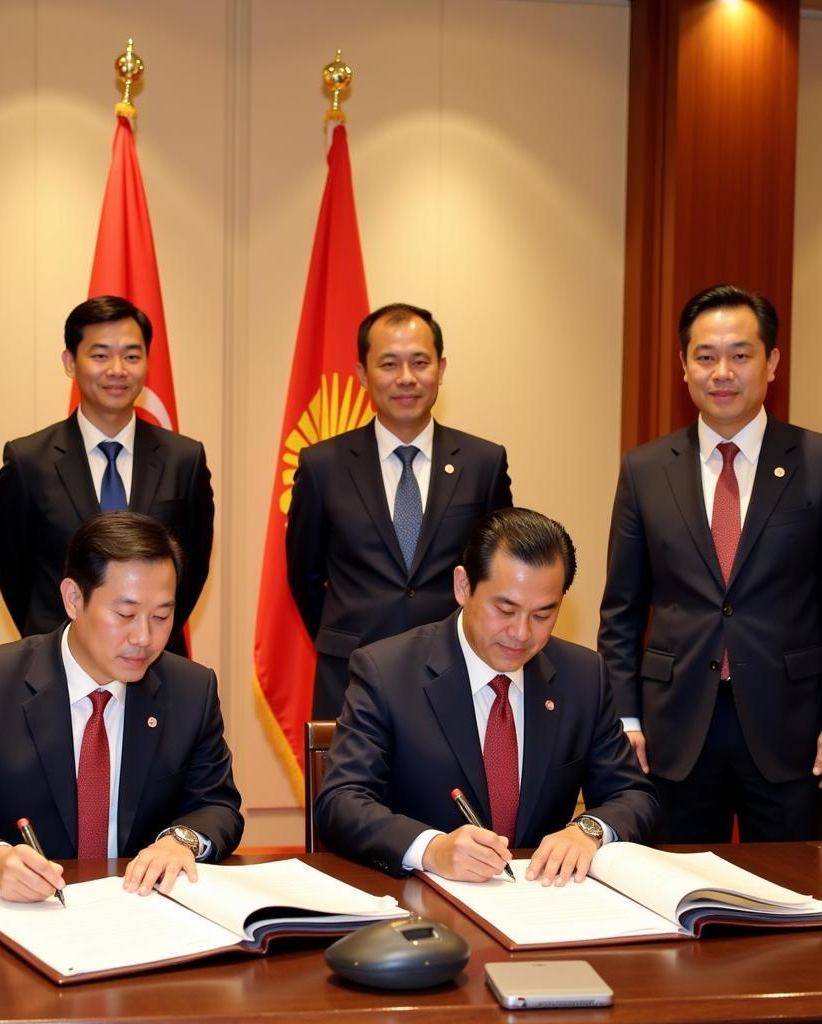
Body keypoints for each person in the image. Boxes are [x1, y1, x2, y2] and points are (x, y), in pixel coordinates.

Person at [0, 511, 243, 901]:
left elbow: (217, 805)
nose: (144, 637)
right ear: (73, 598)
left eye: (161, 616)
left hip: (141, 914)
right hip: (22, 919)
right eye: (125, 614)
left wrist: (180, 841)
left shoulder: (190, 689)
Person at [315, 507, 657, 884]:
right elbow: (341, 802)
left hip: (538, 904)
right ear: (463, 586)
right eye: (504, 609)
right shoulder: (387, 671)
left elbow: (634, 796)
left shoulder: (582, 675)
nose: (521, 633)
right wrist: (431, 848)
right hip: (420, 906)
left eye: (543, 615)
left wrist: (588, 830)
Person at [599, 284, 822, 843]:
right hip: (674, 730)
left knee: (795, 895)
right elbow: (621, 612)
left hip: (790, 723)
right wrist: (624, 719)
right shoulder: (645, 470)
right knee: (674, 896)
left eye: (740, 355)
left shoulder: (816, 462)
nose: (722, 371)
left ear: (771, 362)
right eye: (706, 356)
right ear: (684, 366)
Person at [286, 302, 513, 718]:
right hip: (351, 673)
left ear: (441, 369)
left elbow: (496, 571)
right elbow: (305, 575)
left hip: (456, 673)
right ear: (362, 374)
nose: (406, 378)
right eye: (389, 364)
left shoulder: (483, 463)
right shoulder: (322, 466)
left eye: (420, 362)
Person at [0, 295, 213, 657]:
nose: (117, 369)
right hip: (56, 662)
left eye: (131, 355)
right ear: (70, 362)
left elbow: (191, 571)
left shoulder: (184, 459)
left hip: (154, 660)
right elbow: (16, 577)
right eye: (99, 355)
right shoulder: (28, 461)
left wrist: (149, 636)